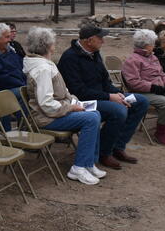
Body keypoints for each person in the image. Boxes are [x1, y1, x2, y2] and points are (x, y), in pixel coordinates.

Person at [57, 25, 150, 170]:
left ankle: (117, 147)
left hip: (102, 97)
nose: (103, 41)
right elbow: (78, 91)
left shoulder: (94, 53)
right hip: (82, 103)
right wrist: (109, 97)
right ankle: (104, 153)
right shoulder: (70, 58)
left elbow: (105, 81)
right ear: (89, 40)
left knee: (140, 101)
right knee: (118, 111)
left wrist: (117, 93)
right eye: (100, 38)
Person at [22, 27, 104, 185]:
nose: (55, 44)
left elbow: (62, 91)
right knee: (91, 119)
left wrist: (75, 102)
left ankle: (88, 163)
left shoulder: (47, 64)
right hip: (45, 118)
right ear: (47, 45)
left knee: (95, 113)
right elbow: (46, 103)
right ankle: (78, 168)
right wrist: (71, 107)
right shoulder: (43, 68)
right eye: (53, 42)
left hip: (55, 112)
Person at [122, 30, 165, 146]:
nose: (154, 46)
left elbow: (161, 74)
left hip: (158, 89)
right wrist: (153, 87)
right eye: (152, 44)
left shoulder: (152, 57)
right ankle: (160, 132)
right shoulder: (132, 60)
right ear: (146, 45)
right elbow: (133, 83)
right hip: (140, 93)